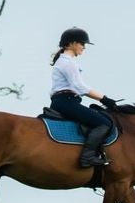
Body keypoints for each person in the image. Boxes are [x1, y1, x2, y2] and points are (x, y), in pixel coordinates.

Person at [49, 27, 120, 168]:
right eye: (82, 44)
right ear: (72, 43)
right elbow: (80, 87)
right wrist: (104, 99)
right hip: (66, 102)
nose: (84, 47)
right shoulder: (67, 63)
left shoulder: (67, 61)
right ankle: (87, 157)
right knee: (103, 123)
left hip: (65, 101)